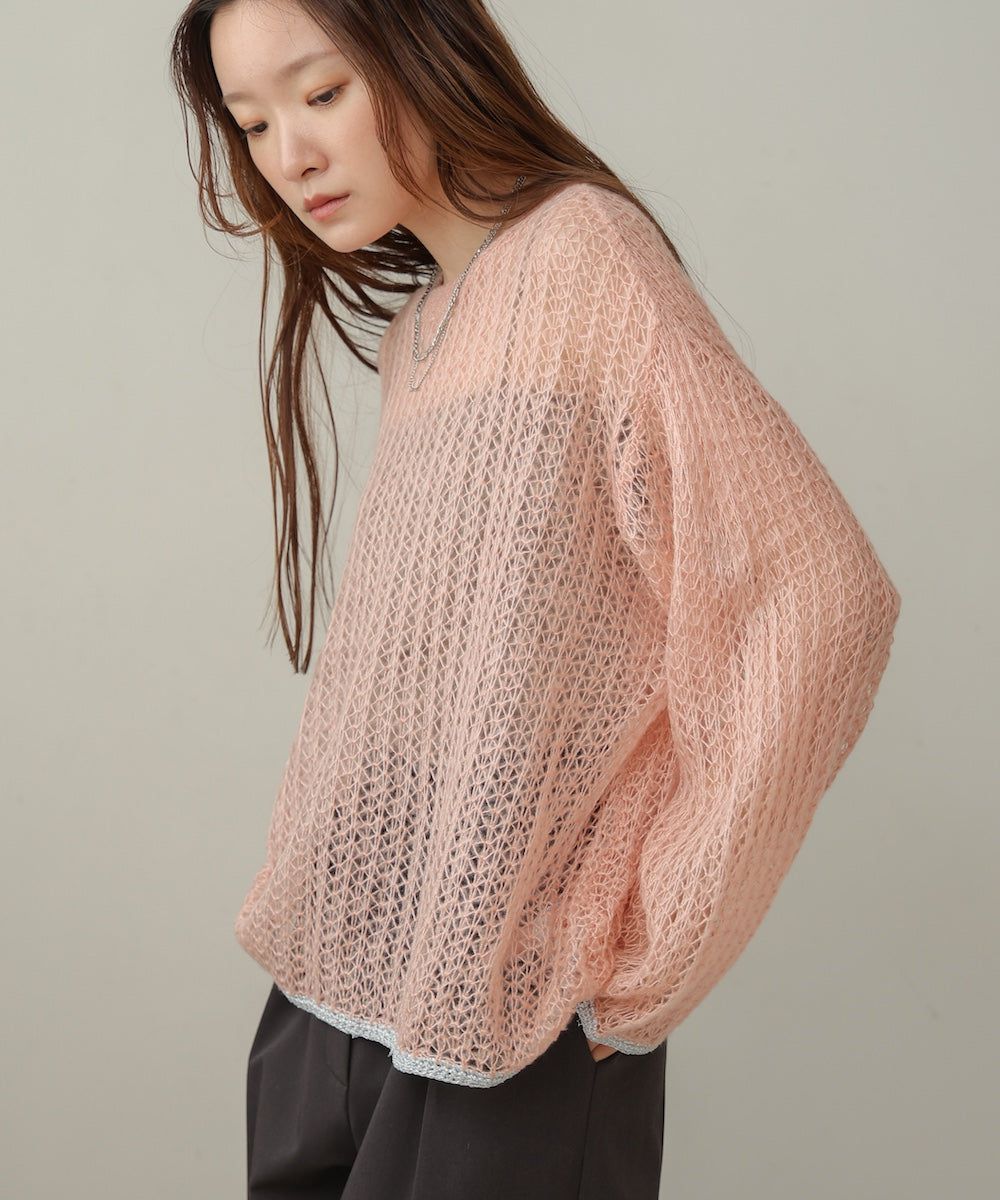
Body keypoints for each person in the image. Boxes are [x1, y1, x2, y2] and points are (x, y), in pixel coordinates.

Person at [168, 1, 902, 1197]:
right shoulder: (421, 330)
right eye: (251, 123)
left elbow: (819, 596)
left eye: (321, 94)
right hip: (333, 975)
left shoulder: (585, 257)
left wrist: (652, 958)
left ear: (423, 50)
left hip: (504, 1010)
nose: (288, 156)